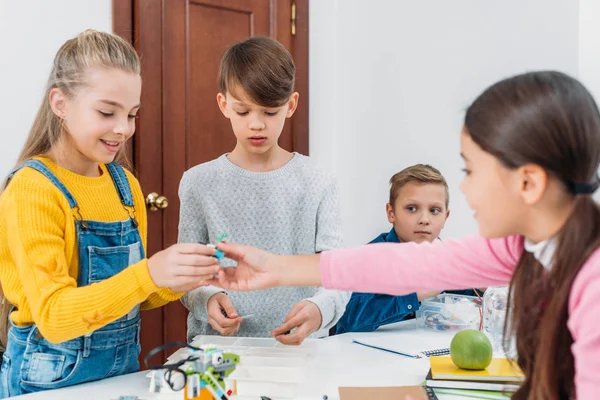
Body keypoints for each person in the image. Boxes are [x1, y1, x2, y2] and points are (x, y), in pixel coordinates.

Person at [213, 71, 600, 399]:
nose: (463, 191)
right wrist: (279, 268)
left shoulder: (592, 281)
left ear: (528, 183)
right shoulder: (523, 247)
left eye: (470, 171)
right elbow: (406, 265)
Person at [0, 30, 218, 397]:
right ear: (60, 103)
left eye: (132, 114)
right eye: (106, 112)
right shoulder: (33, 189)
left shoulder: (125, 185)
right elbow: (53, 316)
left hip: (118, 378)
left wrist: (190, 275)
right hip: (44, 384)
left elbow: (136, 294)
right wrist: (148, 272)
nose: (123, 128)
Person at [178, 36, 349, 346]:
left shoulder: (318, 180)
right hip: (221, 350)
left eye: (269, 113)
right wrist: (207, 297)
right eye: (243, 112)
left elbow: (337, 274)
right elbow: (188, 275)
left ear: (291, 105)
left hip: (302, 350)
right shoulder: (198, 182)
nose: (256, 125)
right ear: (224, 105)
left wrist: (319, 309)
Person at [335, 164, 482, 335]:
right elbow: (348, 320)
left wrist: (483, 288)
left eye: (434, 210)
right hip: (370, 356)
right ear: (391, 213)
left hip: (425, 355)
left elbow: (470, 305)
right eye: (412, 208)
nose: (424, 219)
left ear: (445, 217)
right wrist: (415, 293)